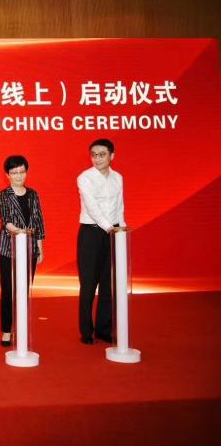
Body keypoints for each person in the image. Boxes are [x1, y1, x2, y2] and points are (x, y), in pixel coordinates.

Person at [77, 139, 125, 345]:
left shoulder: (118, 178)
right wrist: (109, 228)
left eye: (102, 154)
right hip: (91, 233)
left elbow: (119, 206)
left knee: (109, 283)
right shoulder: (85, 178)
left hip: (113, 232)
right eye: (94, 155)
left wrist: (121, 228)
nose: (97, 158)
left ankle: (104, 329)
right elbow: (92, 207)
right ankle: (86, 331)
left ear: (112, 155)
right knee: (88, 284)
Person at [0, 155, 45, 347]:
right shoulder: (4, 195)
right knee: (8, 291)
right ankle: (6, 330)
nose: (19, 176)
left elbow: (39, 221)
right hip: (8, 249)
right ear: (7, 175)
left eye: (22, 172)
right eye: (14, 172)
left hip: (30, 248)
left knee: (24, 290)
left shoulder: (33, 194)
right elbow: (6, 220)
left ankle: (21, 327)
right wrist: (18, 231)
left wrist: (39, 247)